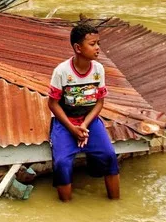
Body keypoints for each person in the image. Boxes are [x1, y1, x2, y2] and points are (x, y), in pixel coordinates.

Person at [47, 20, 119, 201]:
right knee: (62, 163)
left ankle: (115, 202)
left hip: (89, 120)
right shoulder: (61, 71)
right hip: (65, 122)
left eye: (98, 44)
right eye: (93, 44)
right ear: (78, 48)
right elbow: (53, 104)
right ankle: (66, 208)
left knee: (109, 155)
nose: (98, 49)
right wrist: (73, 128)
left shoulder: (99, 69)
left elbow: (99, 103)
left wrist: (85, 125)